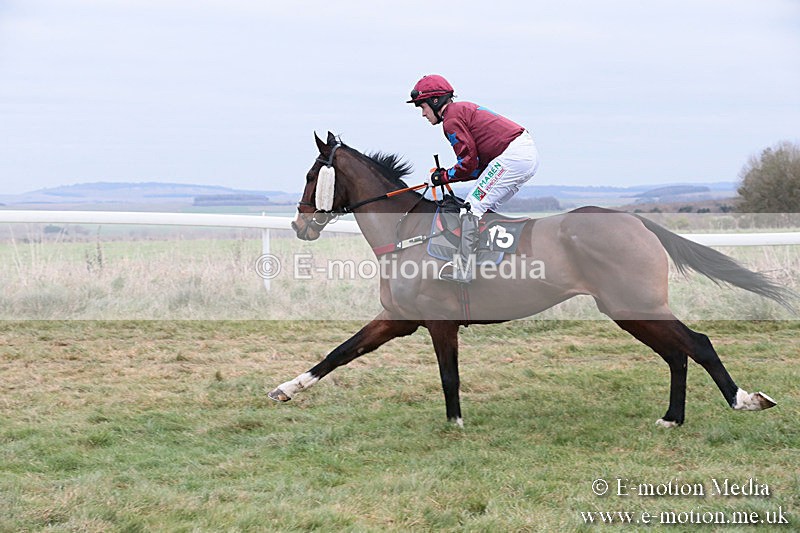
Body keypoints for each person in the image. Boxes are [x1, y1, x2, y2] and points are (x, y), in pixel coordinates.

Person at [407, 74, 540, 283]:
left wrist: (442, 177)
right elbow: (474, 168)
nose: (423, 114)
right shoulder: (459, 111)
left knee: (471, 207)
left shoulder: (451, 120)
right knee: (483, 207)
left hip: (513, 156)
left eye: (422, 107)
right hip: (522, 155)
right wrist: (445, 176)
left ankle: (464, 269)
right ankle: (487, 257)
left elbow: (467, 164)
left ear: (435, 101)